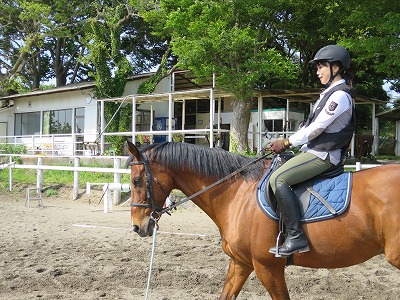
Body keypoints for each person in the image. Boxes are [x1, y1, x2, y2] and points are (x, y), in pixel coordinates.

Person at [268, 44, 355, 257]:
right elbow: (308, 127)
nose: (318, 72)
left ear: (336, 67)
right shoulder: (327, 94)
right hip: (313, 151)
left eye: (321, 67)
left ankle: (296, 237)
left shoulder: (340, 96)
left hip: (324, 155)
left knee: (278, 180)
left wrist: (287, 143)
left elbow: (316, 129)